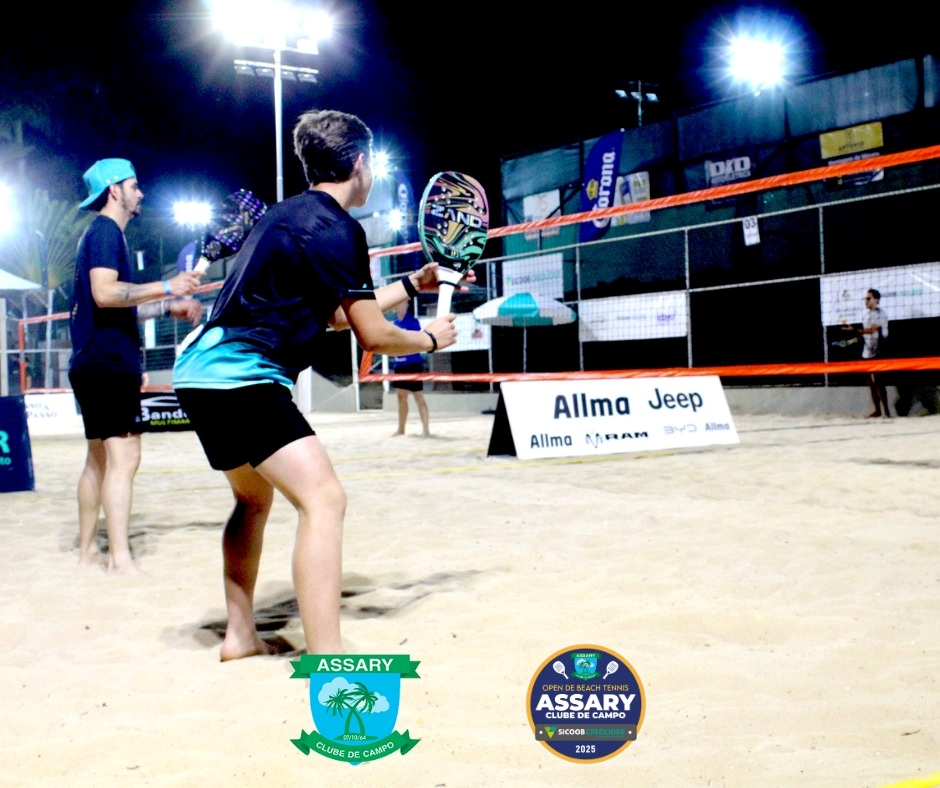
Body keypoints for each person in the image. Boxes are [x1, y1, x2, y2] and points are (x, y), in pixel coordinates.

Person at [172, 109, 472, 660]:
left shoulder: (285, 215)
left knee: (252, 500)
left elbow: (335, 317)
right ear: (359, 163)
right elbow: (374, 336)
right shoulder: (340, 229)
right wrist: (430, 339)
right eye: (371, 163)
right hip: (243, 378)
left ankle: (240, 636)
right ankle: (328, 657)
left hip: (198, 374)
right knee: (325, 500)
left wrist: (413, 283)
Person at [69, 158, 203, 573]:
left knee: (98, 460)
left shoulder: (97, 235)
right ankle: (120, 559)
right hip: (108, 364)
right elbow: (105, 293)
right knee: (124, 459)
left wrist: (165, 306)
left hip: (91, 361)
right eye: (134, 185)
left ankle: (88, 552)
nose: (140, 193)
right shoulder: (106, 232)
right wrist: (167, 285)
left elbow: (111, 305)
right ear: (115, 190)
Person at [390, 300, 431, 437]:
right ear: (396, 307)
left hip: (413, 364)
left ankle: (426, 430)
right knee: (401, 397)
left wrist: (403, 345)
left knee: (418, 397)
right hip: (400, 365)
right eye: (400, 304)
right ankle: (401, 429)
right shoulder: (394, 324)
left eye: (405, 304)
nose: (403, 306)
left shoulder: (413, 322)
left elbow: (417, 342)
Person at [848, 288, 890, 418]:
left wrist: (855, 330)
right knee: (870, 383)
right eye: (865, 298)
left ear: (876, 300)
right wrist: (856, 338)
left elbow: (872, 330)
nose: (865, 301)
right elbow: (866, 332)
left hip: (879, 350)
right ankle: (877, 411)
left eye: (868, 298)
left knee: (879, 382)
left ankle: (886, 412)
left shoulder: (881, 314)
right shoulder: (865, 315)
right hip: (867, 351)